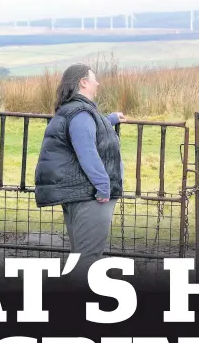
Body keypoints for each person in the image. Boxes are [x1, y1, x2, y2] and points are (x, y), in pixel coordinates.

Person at [34, 63, 126, 288]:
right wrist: (103, 186)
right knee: (88, 260)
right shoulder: (80, 113)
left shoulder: (75, 111)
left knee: (80, 257)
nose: (98, 83)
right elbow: (87, 151)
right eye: (93, 79)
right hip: (91, 196)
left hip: (80, 194)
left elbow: (86, 129)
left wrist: (109, 119)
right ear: (83, 82)